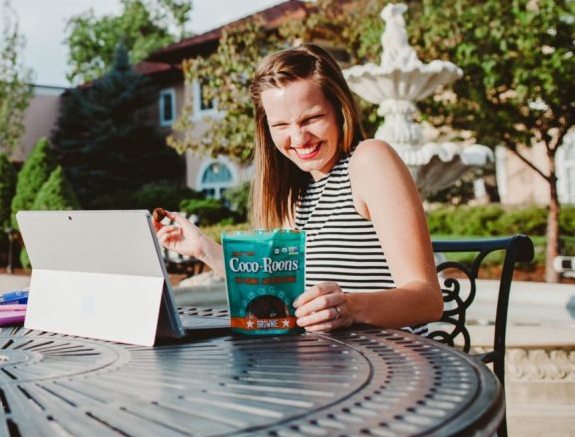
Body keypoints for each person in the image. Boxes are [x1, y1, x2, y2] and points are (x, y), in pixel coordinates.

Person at [157, 44, 442, 332]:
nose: (298, 137)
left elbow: (427, 299)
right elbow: (270, 291)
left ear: (339, 111)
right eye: (281, 124)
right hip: (325, 364)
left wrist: (350, 307)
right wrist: (204, 249)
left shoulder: (368, 160)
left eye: (312, 119)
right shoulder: (296, 192)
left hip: (390, 363)